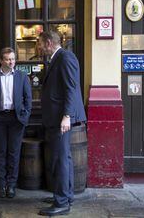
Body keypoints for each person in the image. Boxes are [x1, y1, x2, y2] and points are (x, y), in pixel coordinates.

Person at [38, 31, 86, 216]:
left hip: (61, 119)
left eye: (40, 43)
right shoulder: (58, 58)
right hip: (57, 118)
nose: (39, 47)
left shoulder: (65, 58)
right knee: (64, 158)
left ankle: (61, 203)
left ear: (49, 43)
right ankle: (66, 196)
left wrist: (66, 116)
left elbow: (71, 89)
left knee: (60, 160)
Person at [0, 47, 32, 198]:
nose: (11, 62)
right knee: (0, 152)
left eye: (13, 59)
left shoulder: (22, 77)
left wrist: (25, 116)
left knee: (14, 153)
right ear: (1, 61)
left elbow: (28, 99)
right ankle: (1, 184)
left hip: (16, 119)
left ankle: (11, 185)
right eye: (8, 59)